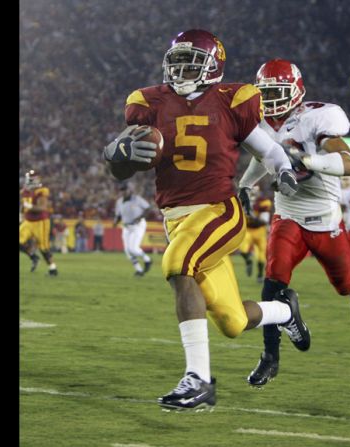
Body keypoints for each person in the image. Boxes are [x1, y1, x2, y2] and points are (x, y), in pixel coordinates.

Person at [102, 30, 302, 412]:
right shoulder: (148, 102)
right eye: (176, 61)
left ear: (213, 66)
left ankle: (199, 381)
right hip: (176, 218)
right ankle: (286, 311)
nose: (180, 69)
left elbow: (268, 149)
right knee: (233, 320)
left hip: (218, 210)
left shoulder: (232, 100)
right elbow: (120, 171)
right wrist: (115, 153)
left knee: (178, 266)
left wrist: (284, 171)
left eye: (190, 62)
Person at [237, 58, 350, 387]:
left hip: (324, 216)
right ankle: (270, 356)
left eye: (278, 92)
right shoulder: (260, 123)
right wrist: (245, 183)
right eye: (265, 93)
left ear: (296, 91)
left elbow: (347, 162)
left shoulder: (317, 117)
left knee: (344, 284)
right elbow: (263, 156)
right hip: (289, 213)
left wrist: (307, 159)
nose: (271, 101)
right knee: (273, 279)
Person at [19, 170, 58, 276]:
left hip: (41, 221)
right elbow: (23, 205)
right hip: (28, 221)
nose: (28, 181)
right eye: (28, 179)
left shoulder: (41, 191)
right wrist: (21, 214)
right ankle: (33, 256)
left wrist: (29, 206)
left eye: (30, 179)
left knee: (43, 247)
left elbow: (42, 208)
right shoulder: (24, 191)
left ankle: (53, 269)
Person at [113, 183, 154, 276]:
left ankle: (148, 260)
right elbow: (118, 215)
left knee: (134, 248)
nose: (123, 192)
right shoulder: (119, 202)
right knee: (128, 251)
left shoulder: (137, 199)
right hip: (126, 227)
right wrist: (116, 221)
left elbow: (148, 208)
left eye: (125, 189)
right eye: (122, 190)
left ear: (129, 190)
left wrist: (140, 217)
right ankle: (139, 270)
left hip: (138, 225)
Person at [238, 185, 272, 283]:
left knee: (261, 255)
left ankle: (260, 275)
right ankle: (248, 261)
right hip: (248, 230)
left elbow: (264, 221)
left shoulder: (263, 202)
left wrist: (252, 218)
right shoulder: (242, 201)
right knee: (242, 249)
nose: (252, 193)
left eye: (254, 191)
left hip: (260, 231)